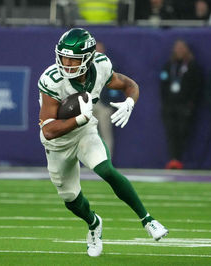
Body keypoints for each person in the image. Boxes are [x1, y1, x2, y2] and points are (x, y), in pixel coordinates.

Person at [38, 28, 168, 257]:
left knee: (106, 169)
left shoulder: (101, 66)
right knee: (70, 198)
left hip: (85, 131)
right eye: (63, 57)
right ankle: (93, 223)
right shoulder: (52, 80)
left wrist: (130, 102)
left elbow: (130, 85)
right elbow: (48, 130)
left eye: (73, 59)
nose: (66, 63)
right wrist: (79, 118)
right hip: (58, 143)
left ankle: (148, 220)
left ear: (88, 58)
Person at [160, 40, 202, 169]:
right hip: (170, 107)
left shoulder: (192, 66)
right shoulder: (169, 65)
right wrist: (165, 104)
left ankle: (180, 159)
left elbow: (197, 86)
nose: (179, 51)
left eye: (182, 48)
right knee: (171, 134)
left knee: (183, 133)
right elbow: (162, 86)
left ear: (187, 50)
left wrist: (190, 104)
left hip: (184, 107)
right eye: (177, 48)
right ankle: (173, 159)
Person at [92, 41, 124, 158]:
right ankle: (92, 160)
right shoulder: (85, 66)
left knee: (106, 134)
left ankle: (106, 161)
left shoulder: (110, 65)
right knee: (90, 134)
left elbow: (116, 85)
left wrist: (111, 103)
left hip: (104, 104)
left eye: (99, 49)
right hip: (90, 104)